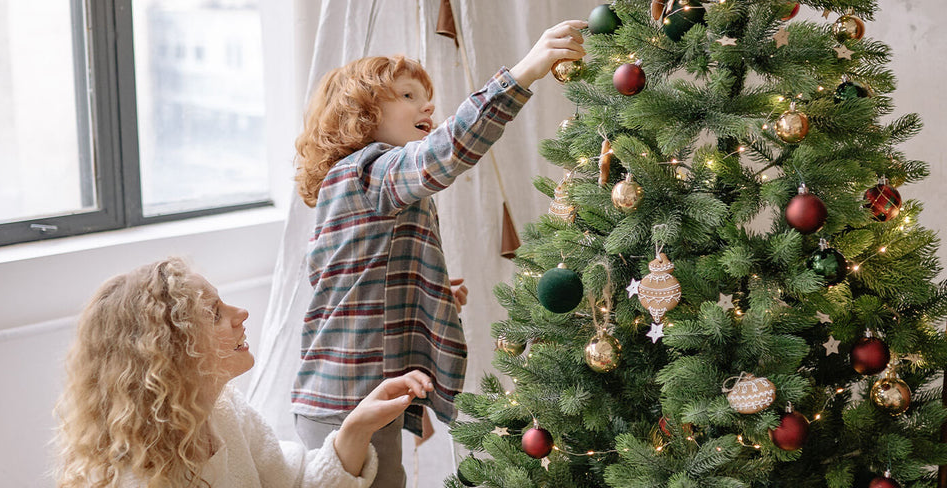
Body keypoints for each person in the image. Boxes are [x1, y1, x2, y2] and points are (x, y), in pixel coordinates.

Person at [292, 19, 587, 486]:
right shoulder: (368, 172)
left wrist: (424, 289)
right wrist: (525, 71)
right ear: (362, 113)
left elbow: (349, 274)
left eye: (424, 95)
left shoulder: (370, 184)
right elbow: (445, 152)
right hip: (344, 398)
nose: (427, 103)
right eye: (407, 95)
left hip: (361, 389)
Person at [54, 257, 434, 488]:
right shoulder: (133, 472)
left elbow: (299, 484)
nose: (241, 315)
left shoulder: (224, 412)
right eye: (214, 313)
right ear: (174, 349)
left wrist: (357, 427)